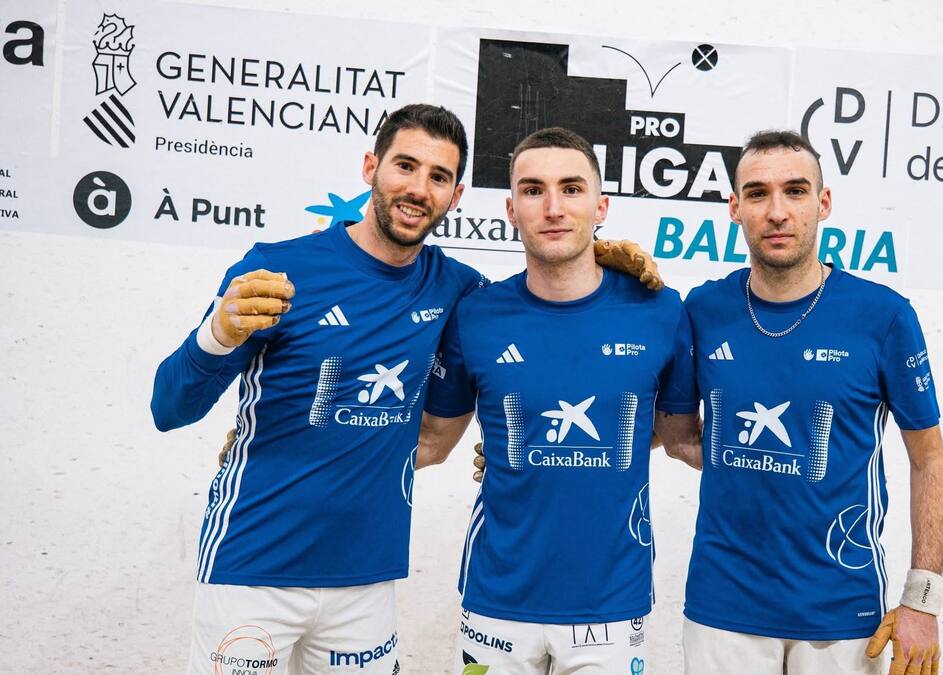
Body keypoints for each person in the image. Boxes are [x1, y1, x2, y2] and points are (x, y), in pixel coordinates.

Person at [151, 104, 659, 675]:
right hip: (251, 565)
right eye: (405, 166)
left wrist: (609, 261)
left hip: (366, 581)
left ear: (456, 195)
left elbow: (541, 313)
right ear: (371, 166)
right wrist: (215, 336)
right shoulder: (278, 270)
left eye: (438, 177)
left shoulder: (458, 292)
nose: (419, 189)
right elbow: (169, 409)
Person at [416, 127, 701, 674]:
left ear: (601, 206)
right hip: (496, 605)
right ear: (510, 208)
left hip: (612, 608)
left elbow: (673, 432)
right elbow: (431, 439)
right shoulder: (475, 314)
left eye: (571, 189)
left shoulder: (661, 311)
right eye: (532, 189)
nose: (552, 207)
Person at [676, 130, 943, 675]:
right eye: (757, 194)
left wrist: (922, 599)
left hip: (843, 615)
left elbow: (930, 458)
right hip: (720, 609)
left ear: (823, 203)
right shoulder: (702, 310)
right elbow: (675, 432)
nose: (777, 211)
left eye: (795, 191)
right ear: (734, 208)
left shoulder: (884, 316)